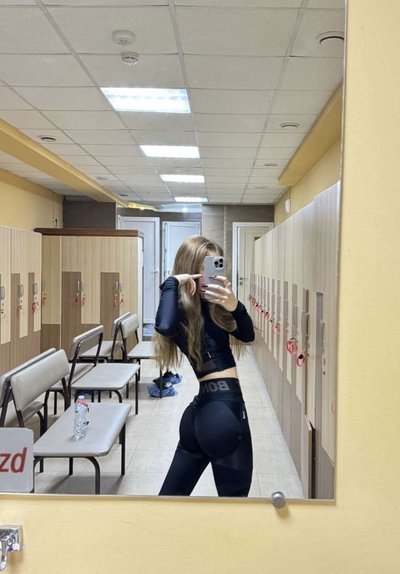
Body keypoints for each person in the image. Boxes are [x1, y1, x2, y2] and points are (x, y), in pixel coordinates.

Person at [154, 235, 255, 497]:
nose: (207, 277)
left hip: (201, 412)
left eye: (213, 268)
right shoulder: (180, 312)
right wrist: (172, 282)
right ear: (189, 269)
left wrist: (234, 305)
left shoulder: (215, 307)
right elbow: (163, 326)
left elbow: (247, 335)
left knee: (169, 500)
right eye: (201, 270)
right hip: (224, 413)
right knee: (236, 510)